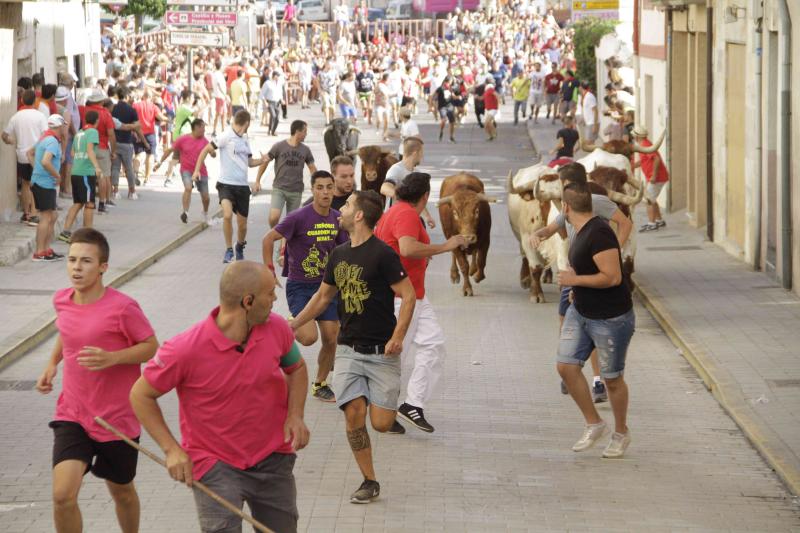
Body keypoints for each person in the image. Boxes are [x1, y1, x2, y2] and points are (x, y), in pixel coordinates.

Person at [130, 261, 309, 533]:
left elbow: (296, 369)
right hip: (215, 464)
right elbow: (140, 394)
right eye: (270, 293)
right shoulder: (184, 349)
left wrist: (295, 414)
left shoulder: (277, 328)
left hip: (273, 457)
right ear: (248, 301)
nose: (275, 299)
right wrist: (172, 450)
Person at [290, 190, 416, 504]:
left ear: (359, 215)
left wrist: (398, 336)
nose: (339, 210)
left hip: (382, 353)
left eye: (345, 206)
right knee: (354, 415)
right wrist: (290, 325)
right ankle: (369, 480)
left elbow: (408, 295)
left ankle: (381, 402)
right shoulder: (339, 254)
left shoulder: (383, 254)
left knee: (381, 424)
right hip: (348, 350)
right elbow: (322, 298)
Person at [35, 227, 158, 532]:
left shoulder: (123, 308)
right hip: (73, 414)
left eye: (86, 261)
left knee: (123, 493)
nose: (76, 267)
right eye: (72, 260)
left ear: (103, 267)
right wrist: (52, 364)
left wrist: (113, 358)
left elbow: (152, 347)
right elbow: (67, 332)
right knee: (62, 496)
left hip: (116, 419)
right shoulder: (62, 300)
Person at [531, 163, 632, 403]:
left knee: (594, 325)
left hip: (592, 271)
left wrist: (614, 250)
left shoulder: (596, 202)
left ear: (570, 184)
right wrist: (538, 233)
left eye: (561, 183)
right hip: (573, 272)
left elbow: (625, 223)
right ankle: (570, 368)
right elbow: (554, 227)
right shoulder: (567, 206)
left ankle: (598, 381)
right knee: (565, 319)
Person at [375, 172, 466, 433]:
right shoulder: (406, 214)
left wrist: (425, 255)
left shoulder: (395, 210)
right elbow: (407, 248)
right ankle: (393, 408)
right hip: (403, 297)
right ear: (425, 196)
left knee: (431, 346)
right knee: (398, 355)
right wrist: (444, 247)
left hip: (411, 295)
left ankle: (406, 405)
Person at [554, 180, 635, 459]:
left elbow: (612, 277)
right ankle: (594, 423)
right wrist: (577, 289)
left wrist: (575, 280)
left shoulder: (599, 233)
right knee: (566, 366)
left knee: (612, 380)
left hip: (610, 318)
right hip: (582, 311)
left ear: (565, 207)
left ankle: (621, 433)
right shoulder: (579, 229)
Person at [262, 170, 350, 402]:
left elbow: (343, 250)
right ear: (313, 190)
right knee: (309, 337)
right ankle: (286, 324)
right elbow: (268, 239)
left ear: (334, 190)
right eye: (320, 187)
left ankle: (320, 384)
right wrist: (269, 271)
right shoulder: (298, 217)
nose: (325, 192)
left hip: (327, 288)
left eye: (329, 187)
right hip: (301, 286)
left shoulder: (336, 218)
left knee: (332, 337)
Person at [194, 110, 268, 263]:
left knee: (242, 226)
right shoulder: (225, 136)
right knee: (227, 215)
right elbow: (205, 150)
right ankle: (228, 250)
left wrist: (262, 160)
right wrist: (196, 170)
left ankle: (239, 246)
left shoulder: (245, 140)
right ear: (246, 123)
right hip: (225, 184)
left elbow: (249, 162)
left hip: (242, 187)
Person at [256, 120, 317, 229]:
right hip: (279, 188)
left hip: (296, 190)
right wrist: (257, 181)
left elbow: (312, 168)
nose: (306, 134)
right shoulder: (279, 146)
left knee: (291, 223)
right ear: (298, 132)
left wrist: (317, 185)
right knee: (273, 217)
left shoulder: (306, 150)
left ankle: (284, 244)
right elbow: (265, 161)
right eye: (305, 131)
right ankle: (275, 233)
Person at [2, 89, 47, 226]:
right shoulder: (40, 116)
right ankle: (34, 215)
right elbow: (46, 135)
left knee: (26, 184)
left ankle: (26, 213)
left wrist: (11, 141)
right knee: (36, 183)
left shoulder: (16, 116)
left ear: (22, 100)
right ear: (34, 101)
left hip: (21, 154)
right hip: (36, 155)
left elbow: (4, 135)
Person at [28, 114, 68, 262]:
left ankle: (45, 249)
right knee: (46, 217)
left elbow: (29, 154)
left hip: (42, 181)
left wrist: (37, 170)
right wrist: (57, 175)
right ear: (58, 126)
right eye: (64, 125)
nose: (65, 128)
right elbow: (45, 161)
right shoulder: (52, 141)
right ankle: (40, 252)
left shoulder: (45, 137)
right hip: (45, 183)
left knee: (53, 216)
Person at [58, 111, 103, 242]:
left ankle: (65, 231)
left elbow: (72, 153)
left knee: (78, 203)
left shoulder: (79, 133)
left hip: (76, 171)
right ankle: (87, 233)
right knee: (89, 203)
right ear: (96, 120)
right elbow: (90, 150)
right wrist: (96, 167)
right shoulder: (93, 132)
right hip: (86, 172)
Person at [157, 119, 211, 224]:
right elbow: (169, 150)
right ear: (196, 128)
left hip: (201, 171)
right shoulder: (183, 139)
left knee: (206, 197)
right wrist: (160, 162)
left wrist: (213, 153)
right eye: (203, 127)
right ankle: (185, 212)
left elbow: (212, 153)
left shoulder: (205, 141)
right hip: (186, 169)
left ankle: (205, 212)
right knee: (188, 188)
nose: (204, 130)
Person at [381, 137, 434, 227]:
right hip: (393, 222)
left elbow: (418, 199)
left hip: (408, 221)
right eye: (421, 153)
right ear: (415, 153)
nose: (422, 157)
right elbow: (384, 188)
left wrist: (427, 216)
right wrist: (406, 197)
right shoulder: (396, 169)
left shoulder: (417, 173)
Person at [83, 90, 116, 213]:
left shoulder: (85, 110)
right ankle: (102, 203)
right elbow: (111, 134)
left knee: (88, 174)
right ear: (101, 101)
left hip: (87, 146)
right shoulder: (105, 113)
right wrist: (113, 150)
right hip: (102, 147)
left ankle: (89, 201)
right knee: (103, 176)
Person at [632, 125, 670, 232]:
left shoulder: (645, 144)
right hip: (656, 177)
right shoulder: (644, 145)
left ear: (636, 136)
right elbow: (645, 161)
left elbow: (656, 159)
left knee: (648, 200)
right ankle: (659, 220)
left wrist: (654, 175)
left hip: (657, 178)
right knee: (652, 199)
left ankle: (652, 223)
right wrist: (633, 166)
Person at [111, 87, 143, 200]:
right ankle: (132, 191)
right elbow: (138, 126)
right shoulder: (131, 110)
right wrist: (140, 137)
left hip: (114, 141)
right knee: (128, 167)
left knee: (115, 167)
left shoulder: (113, 108)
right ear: (126, 96)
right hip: (126, 141)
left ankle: (115, 191)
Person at [260, 70, 282, 136]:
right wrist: (265, 102)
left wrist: (282, 99)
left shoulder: (279, 83)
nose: (278, 78)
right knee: (273, 115)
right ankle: (270, 130)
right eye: (277, 76)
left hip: (277, 102)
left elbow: (280, 93)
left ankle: (273, 130)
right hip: (270, 102)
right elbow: (262, 94)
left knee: (277, 118)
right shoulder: (267, 83)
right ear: (274, 76)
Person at [434, 77, 456, 143]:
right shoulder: (440, 89)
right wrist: (434, 106)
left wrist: (456, 96)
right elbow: (434, 96)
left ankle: (451, 136)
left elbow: (454, 96)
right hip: (442, 107)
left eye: (450, 83)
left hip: (450, 106)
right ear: (445, 82)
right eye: (449, 82)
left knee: (452, 122)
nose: (449, 84)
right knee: (444, 120)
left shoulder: (451, 89)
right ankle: (441, 130)